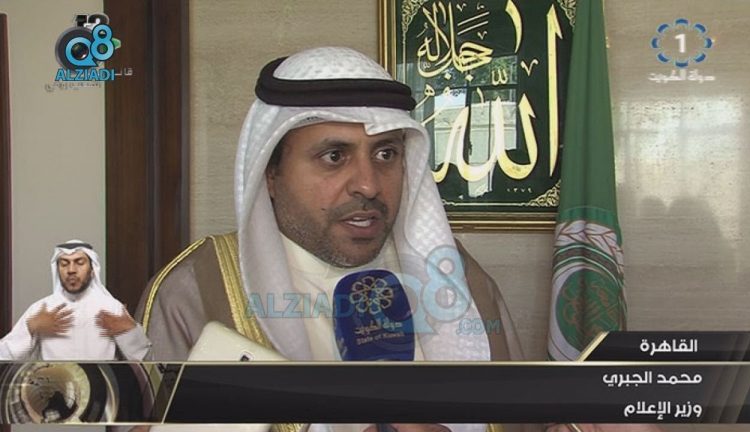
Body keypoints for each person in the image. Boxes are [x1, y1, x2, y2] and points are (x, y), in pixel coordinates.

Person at [135, 47, 661, 432]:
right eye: (334, 156)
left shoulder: (455, 276)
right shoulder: (198, 293)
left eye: (386, 154)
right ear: (270, 175)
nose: (368, 184)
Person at [0, 240, 151, 361]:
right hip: (53, 387)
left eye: (79, 262)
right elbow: (3, 357)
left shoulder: (111, 308)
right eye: (64, 263)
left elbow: (147, 362)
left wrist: (130, 331)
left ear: (92, 269)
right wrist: (30, 328)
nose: (71, 270)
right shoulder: (41, 309)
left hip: (102, 387)